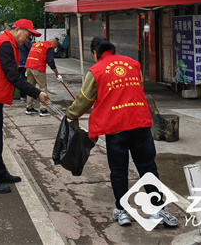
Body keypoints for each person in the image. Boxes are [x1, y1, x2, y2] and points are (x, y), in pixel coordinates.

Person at [66, 37, 178, 228]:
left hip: (116, 127)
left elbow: (85, 99)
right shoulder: (133, 64)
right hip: (140, 122)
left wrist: (71, 114)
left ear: (95, 53)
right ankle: (159, 208)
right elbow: (136, 86)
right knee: (148, 166)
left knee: (119, 170)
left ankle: (122, 211)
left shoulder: (97, 70)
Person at [0, 19, 50, 194]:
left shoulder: (6, 41)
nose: (27, 40)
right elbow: (13, 76)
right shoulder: (6, 44)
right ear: (18, 29)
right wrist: (37, 93)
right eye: (27, 36)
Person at [25, 38, 62, 117]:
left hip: (29, 66)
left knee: (30, 87)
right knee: (43, 88)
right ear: (54, 44)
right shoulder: (49, 47)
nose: (54, 49)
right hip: (38, 67)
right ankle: (43, 110)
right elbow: (51, 62)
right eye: (55, 47)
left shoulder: (37, 44)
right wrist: (57, 74)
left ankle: (29, 108)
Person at [16, 37, 33, 103]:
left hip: (17, 63)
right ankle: (22, 97)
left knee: (13, 80)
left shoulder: (15, 41)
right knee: (22, 80)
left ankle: (11, 97)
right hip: (22, 64)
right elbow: (30, 48)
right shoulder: (26, 42)